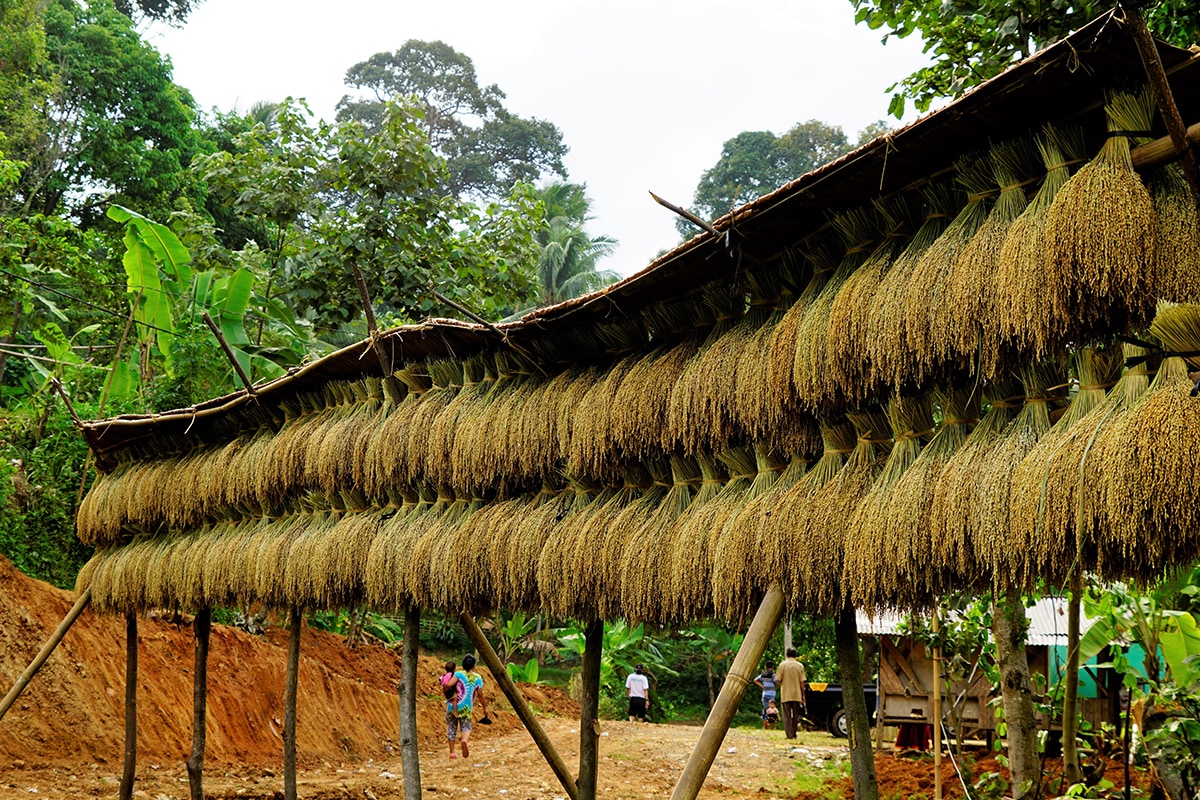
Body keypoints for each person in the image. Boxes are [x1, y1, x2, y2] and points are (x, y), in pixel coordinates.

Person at [776, 648, 808, 739]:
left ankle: (789, 735)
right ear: (796, 655)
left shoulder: (782, 665)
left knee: (787, 715)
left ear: (787, 655)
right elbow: (802, 682)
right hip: (797, 694)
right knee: (795, 715)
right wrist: (803, 695)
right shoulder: (800, 666)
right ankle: (794, 733)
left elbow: (778, 680)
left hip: (786, 694)